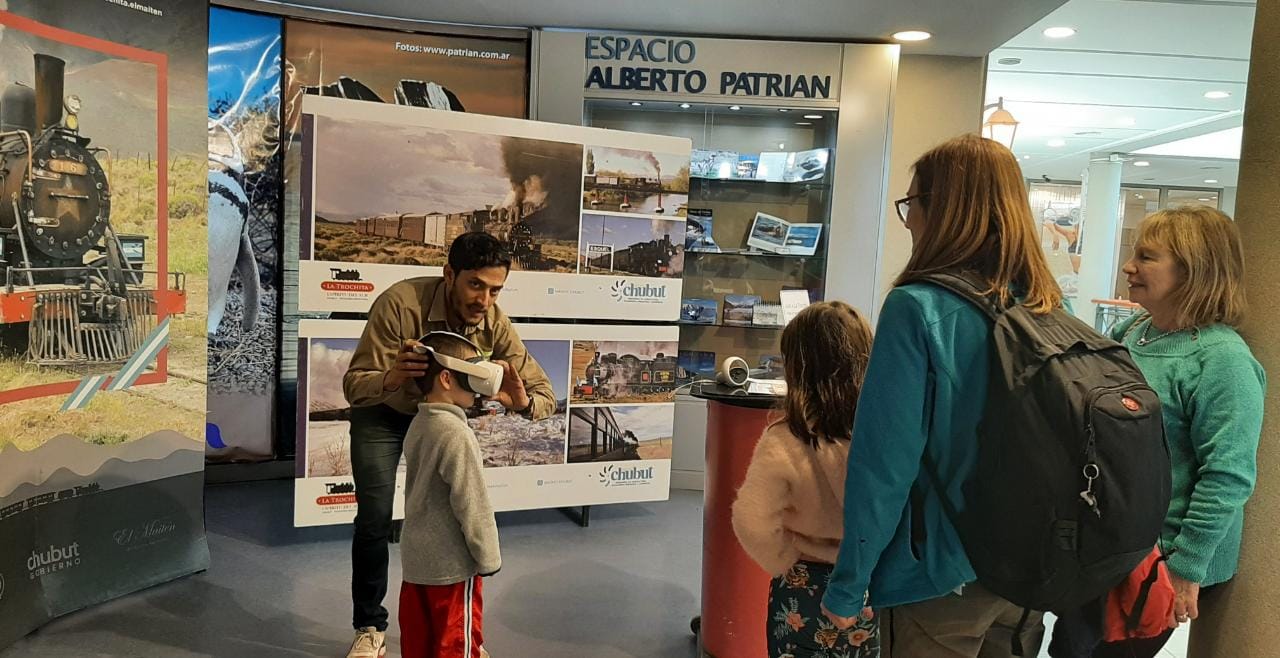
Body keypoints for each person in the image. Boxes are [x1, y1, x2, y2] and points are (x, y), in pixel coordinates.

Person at [822, 134, 1061, 656]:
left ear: (945, 211)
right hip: (1027, 573)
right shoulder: (1045, 306)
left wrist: (848, 582)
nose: (909, 221)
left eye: (912, 205)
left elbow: (883, 465)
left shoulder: (918, 309)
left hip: (940, 575)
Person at [1053, 206, 1265, 657]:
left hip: (1156, 561)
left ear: (1194, 271)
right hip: (1106, 547)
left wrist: (1185, 568)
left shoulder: (1223, 360)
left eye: (1146, 257)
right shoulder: (1136, 330)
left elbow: (1227, 476)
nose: (1129, 266)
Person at [342, 232, 555, 658]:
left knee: (441, 522)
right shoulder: (400, 304)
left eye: (495, 289)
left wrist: (521, 401)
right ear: (449, 275)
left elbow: (544, 397)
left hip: (440, 419)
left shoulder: (494, 321)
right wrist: (393, 376)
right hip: (384, 411)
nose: (485, 300)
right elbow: (353, 386)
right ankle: (369, 626)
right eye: (476, 285)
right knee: (375, 519)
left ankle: (456, 633)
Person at [731, 301, 879, 657]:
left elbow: (750, 521)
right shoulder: (881, 433)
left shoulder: (785, 439)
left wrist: (786, 560)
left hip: (803, 586)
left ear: (796, 366)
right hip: (868, 583)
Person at [398, 331, 501, 658]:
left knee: (420, 644)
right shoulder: (457, 434)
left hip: (417, 563)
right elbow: (471, 503)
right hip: (451, 568)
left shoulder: (421, 424)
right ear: (445, 377)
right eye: (471, 374)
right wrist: (488, 557)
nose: (477, 384)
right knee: (456, 646)